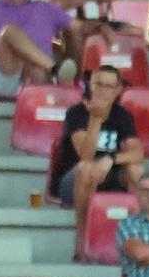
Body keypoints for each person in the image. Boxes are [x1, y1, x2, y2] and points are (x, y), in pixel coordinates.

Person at [50, 65, 141, 252]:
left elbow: (137, 153)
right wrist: (95, 120)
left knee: (136, 170)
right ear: (90, 85)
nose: (102, 90)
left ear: (118, 90)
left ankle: (136, 239)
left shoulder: (123, 115)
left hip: (107, 174)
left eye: (109, 86)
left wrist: (111, 159)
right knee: (85, 168)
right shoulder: (76, 113)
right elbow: (86, 155)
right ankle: (82, 244)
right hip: (73, 180)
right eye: (98, 84)